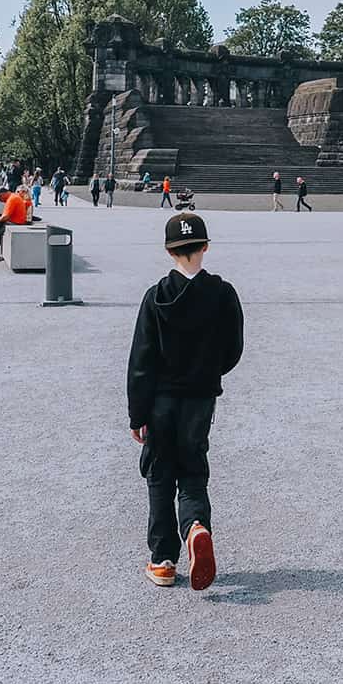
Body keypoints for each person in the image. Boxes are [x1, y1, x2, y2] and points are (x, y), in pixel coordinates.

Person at [129, 212, 245, 591]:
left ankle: (163, 560)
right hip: (200, 400)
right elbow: (234, 348)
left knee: (160, 473)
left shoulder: (155, 297)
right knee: (193, 470)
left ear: (169, 251)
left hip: (160, 402)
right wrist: (208, 373)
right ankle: (195, 526)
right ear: (205, 246)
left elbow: (141, 361)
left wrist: (137, 414)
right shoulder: (223, 294)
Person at [0, 187, 31, 261]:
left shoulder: (12, 199)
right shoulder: (13, 197)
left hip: (15, 224)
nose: (0, 201)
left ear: (3, 194)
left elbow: (5, 216)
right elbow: (7, 215)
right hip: (16, 222)